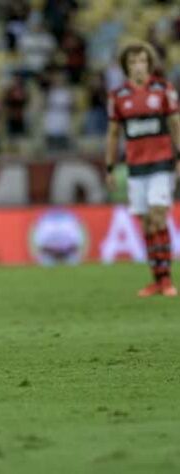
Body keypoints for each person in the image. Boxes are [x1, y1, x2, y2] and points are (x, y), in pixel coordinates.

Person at [106, 40, 180, 297]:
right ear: (125, 66)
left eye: (142, 61)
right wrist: (109, 166)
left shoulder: (163, 90)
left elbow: (175, 125)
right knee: (147, 224)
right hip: (136, 167)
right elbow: (114, 134)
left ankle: (168, 279)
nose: (138, 66)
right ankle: (156, 279)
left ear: (149, 63)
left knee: (159, 216)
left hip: (162, 163)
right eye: (133, 62)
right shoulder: (118, 96)